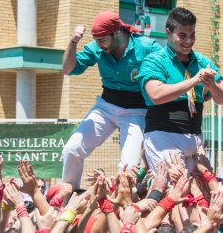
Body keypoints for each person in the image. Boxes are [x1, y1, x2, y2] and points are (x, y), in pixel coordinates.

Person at [61, 10, 162, 188]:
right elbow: (68, 69)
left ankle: (122, 206)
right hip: (105, 107)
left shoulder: (146, 47)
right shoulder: (96, 47)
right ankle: (68, 197)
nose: (99, 45)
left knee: (128, 167)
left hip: (136, 112)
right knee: (72, 149)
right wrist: (73, 41)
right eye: (96, 40)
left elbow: (169, 64)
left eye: (102, 40)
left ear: (116, 33)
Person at [136, 7, 223, 173]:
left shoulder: (202, 61)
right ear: (168, 32)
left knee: (201, 193)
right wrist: (195, 80)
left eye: (192, 35)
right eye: (182, 35)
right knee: (174, 191)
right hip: (163, 137)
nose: (189, 41)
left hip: (195, 138)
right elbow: (156, 95)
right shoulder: (154, 60)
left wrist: (212, 86)